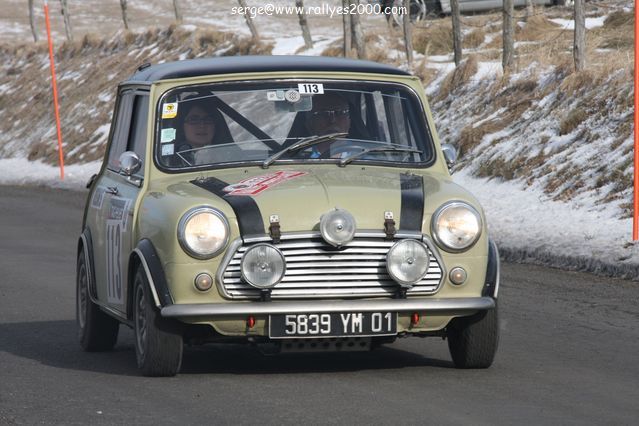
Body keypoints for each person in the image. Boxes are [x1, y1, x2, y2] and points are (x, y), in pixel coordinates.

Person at [303, 92, 352, 158]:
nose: (332, 120)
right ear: (310, 124)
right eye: (323, 114)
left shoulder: (365, 154)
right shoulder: (299, 157)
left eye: (339, 112)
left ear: (349, 121)